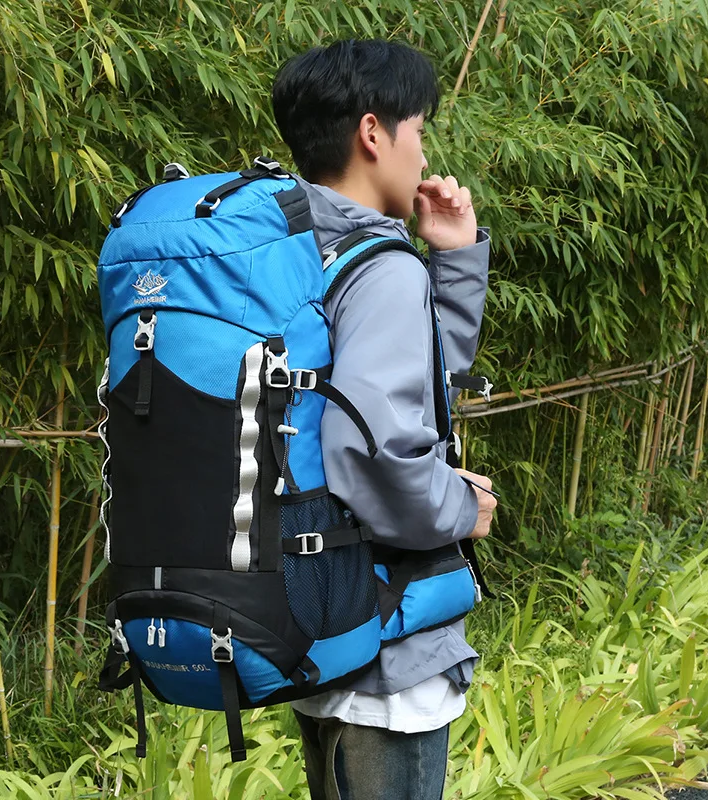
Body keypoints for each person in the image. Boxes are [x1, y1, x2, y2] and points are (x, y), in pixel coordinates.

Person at [271, 39, 496, 799]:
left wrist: (455, 259)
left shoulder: (293, 251)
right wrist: (464, 507)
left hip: (316, 626)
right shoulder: (382, 268)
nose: (424, 149)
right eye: (420, 129)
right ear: (374, 133)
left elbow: (416, 380)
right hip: (389, 657)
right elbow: (372, 448)